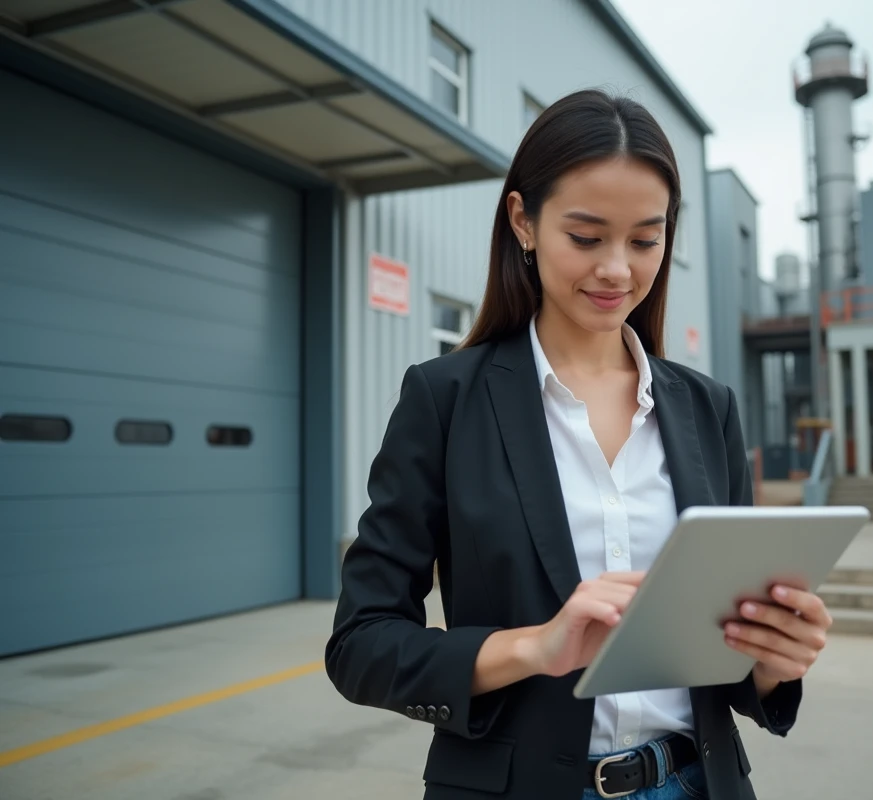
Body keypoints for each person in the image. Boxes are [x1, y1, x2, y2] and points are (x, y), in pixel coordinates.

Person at [326, 89, 832, 800]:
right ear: (523, 221)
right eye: (587, 238)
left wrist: (775, 660)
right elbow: (362, 645)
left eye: (646, 240)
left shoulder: (706, 408)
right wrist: (534, 647)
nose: (618, 270)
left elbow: (728, 664)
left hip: (697, 784)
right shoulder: (446, 401)